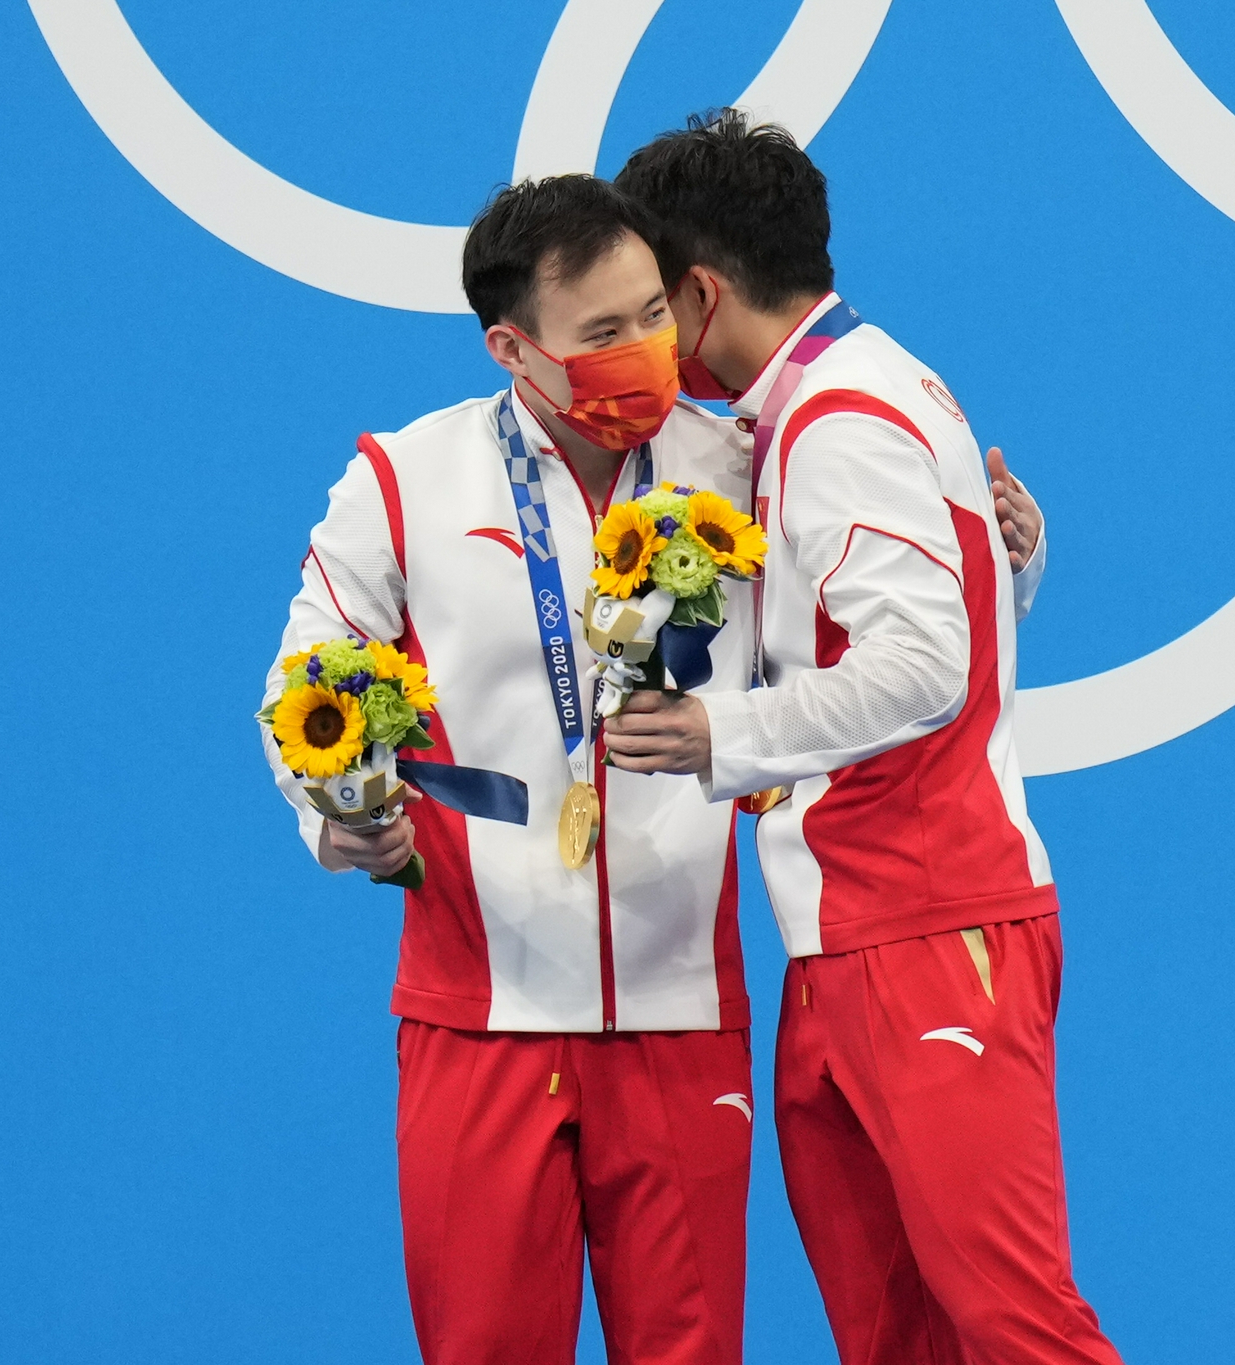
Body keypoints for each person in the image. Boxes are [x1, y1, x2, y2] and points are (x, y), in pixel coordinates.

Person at [606, 112, 1123, 1365]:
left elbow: (921, 668)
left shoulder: (841, 417)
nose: (639, 345)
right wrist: (1020, 563)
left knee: (1016, 1330)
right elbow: (931, 628)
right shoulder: (848, 394)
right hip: (846, 934)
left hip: (929, 925)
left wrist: (716, 736)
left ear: (699, 290)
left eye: (643, 312)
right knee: (895, 1338)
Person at [261, 174, 759, 1365]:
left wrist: (1009, 555)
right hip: (477, 1018)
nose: (644, 351)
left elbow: (874, 644)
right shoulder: (403, 480)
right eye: (601, 335)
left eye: (651, 314)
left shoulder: (741, 464)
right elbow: (299, 692)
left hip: (681, 1013)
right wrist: (339, 823)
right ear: (512, 348)